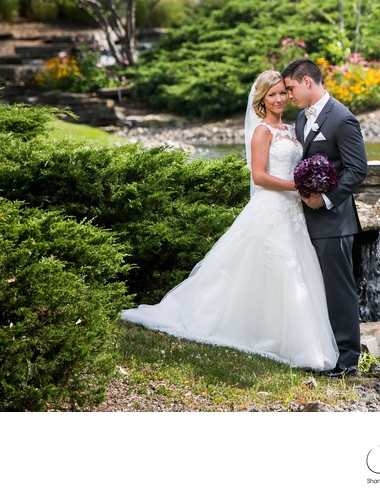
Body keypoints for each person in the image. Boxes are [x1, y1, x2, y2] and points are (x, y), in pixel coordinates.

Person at [120, 70, 338, 372]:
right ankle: (264, 335)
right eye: (271, 94)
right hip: (272, 207)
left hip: (293, 212)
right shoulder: (263, 131)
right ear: (261, 99)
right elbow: (260, 177)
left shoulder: (291, 128)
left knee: (293, 271)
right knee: (274, 268)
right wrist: (299, 187)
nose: (278, 99)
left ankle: (285, 336)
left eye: (281, 93)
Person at [282, 58, 368, 377]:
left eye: (290, 88)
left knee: (338, 289)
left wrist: (326, 199)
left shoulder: (342, 119)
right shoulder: (301, 120)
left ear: (307, 82)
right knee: (317, 288)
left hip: (335, 222)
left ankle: (347, 360)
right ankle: (325, 351)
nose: (288, 94)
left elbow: (357, 169)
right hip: (306, 221)